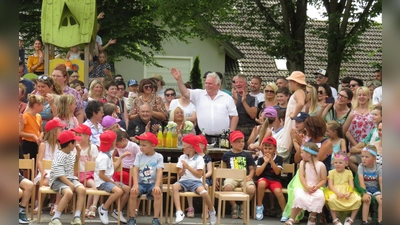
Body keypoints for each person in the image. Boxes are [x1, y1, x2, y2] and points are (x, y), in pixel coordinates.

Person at [171, 68, 238, 143]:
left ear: (218, 85)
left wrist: (231, 133)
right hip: (204, 137)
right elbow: (185, 92)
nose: (207, 85)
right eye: (206, 83)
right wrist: (179, 80)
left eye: (210, 83)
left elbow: (234, 116)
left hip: (223, 138)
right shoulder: (198, 95)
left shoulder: (227, 98)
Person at [172, 134, 217, 224]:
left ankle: (212, 211)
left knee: (204, 192)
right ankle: (179, 211)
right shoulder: (182, 157)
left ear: (191, 148)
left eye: (184, 146)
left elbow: (199, 175)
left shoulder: (199, 159)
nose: (182, 148)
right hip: (184, 181)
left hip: (196, 182)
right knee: (174, 186)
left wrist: (188, 167)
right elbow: (179, 174)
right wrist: (183, 170)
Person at [48, 130, 86, 225]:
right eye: (74, 142)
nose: (76, 144)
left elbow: (75, 160)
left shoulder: (69, 153)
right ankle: (55, 218)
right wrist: (70, 184)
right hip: (58, 180)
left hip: (69, 178)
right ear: (70, 144)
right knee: (68, 192)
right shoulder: (60, 156)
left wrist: (78, 152)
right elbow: (59, 174)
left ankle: (76, 216)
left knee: (82, 190)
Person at [284, 142, 327, 225]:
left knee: (320, 197)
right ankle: (292, 218)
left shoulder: (321, 165)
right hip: (303, 186)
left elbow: (323, 180)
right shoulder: (303, 163)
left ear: (309, 154)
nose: (301, 155)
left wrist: (316, 186)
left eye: (302, 153)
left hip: (316, 187)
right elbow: (302, 177)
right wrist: (306, 186)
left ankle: (312, 217)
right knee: (299, 196)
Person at [95, 130, 131, 224]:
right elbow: (101, 175)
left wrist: (121, 157)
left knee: (127, 189)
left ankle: (117, 211)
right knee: (118, 191)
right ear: (112, 143)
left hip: (108, 181)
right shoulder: (103, 157)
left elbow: (112, 168)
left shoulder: (108, 155)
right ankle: (103, 209)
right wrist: (113, 183)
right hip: (102, 183)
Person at [128, 132, 164, 225]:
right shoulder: (139, 155)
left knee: (157, 193)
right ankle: (132, 218)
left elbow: (160, 171)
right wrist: (135, 185)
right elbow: (135, 169)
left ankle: (155, 218)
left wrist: (157, 185)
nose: (141, 147)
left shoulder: (158, 157)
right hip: (140, 183)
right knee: (133, 192)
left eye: (144, 145)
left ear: (153, 146)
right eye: (140, 144)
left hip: (152, 184)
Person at [34, 119, 66, 214]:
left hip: (56, 172)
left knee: (61, 181)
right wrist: (43, 171)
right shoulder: (43, 145)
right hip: (45, 171)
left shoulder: (60, 145)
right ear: (54, 132)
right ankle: (39, 206)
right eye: (60, 130)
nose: (62, 132)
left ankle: (56, 205)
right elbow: (39, 161)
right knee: (44, 182)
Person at [221, 131, 256, 219]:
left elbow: (252, 169)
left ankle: (244, 206)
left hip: (245, 177)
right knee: (227, 188)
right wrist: (218, 179)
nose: (241, 144)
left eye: (242, 141)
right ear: (232, 143)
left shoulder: (247, 155)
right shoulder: (226, 155)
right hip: (231, 177)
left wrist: (250, 176)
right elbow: (222, 169)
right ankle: (234, 206)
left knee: (251, 189)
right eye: (238, 142)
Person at [71, 124, 100, 219]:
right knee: (94, 185)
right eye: (76, 134)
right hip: (78, 174)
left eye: (80, 135)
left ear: (87, 136)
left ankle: (90, 207)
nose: (77, 137)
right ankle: (92, 207)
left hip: (91, 173)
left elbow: (96, 163)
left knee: (96, 183)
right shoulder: (74, 147)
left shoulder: (93, 147)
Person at [324, 154, 361, 225]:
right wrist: (337, 193)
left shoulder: (349, 172)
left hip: (347, 190)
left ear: (346, 163)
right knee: (332, 199)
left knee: (357, 199)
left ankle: (350, 220)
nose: (338, 164)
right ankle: (335, 219)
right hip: (334, 190)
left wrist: (349, 193)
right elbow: (330, 185)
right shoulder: (331, 172)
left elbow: (351, 185)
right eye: (336, 162)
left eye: (340, 163)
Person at [255, 136, 286, 221]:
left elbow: (277, 172)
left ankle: (285, 212)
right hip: (264, 179)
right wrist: (265, 162)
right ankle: (259, 207)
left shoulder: (279, 159)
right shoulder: (261, 159)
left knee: (278, 191)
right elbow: (257, 173)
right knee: (261, 183)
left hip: (274, 180)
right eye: (265, 148)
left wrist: (271, 161)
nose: (267, 151)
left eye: (270, 148)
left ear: (275, 149)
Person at [277, 71, 306, 163]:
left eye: (290, 82)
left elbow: (301, 103)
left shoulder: (298, 92)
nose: (289, 84)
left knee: (289, 146)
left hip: (294, 123)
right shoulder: (299, 92)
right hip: (292, 122)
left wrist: (293, 115)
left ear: (296, 82)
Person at [185, 134, 213, 218]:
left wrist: (203, 177)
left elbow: (210, 171)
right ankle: (190, 207)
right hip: (193, 178)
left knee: (206, 186)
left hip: (204, 179)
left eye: (199, 143)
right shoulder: (191, 156)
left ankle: (206, 209)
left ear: (204, 145)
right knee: (187, 184)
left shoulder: (207, 157)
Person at [349, 105, 382, 173]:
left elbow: (372, 148)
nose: (373, 116)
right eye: (372, 114)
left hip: (374, 155)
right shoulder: (374, 130)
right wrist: (352, 150)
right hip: (367, 151)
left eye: (376, 115)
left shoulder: (381, 132)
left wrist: (358, 150)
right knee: (347, 159)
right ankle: (362, 176)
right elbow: (364, 142)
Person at [357, 145, 382, 225]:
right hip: (366, 188)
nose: (363, 159)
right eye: (362, 156)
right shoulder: (361, 167)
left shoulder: (378, 167)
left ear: (374, 159)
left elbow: (381, 182)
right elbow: (361, 181)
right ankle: (365, 221)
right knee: (367, 200)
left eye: (367, 157)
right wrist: (364, 193)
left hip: (375, 189)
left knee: (381, 201)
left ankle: (380, 221)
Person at [233, 74, 258, 146]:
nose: (238, 84)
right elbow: (229, 115)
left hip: (249, 129)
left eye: (240, 82)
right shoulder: (231, 98)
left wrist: (244, 102)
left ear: (246, 84)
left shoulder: (253, 98)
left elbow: (253, 115)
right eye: (236, 82)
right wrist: (235, 100)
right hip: (236, 128)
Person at [19, 94, 45, 162]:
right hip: (28, 143)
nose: (43, 107)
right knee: (28, 165)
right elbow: (19, 132)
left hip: (36, 144)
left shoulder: (39, 116)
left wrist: (40, 136)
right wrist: (33, 136)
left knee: (36, 163)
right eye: (42, 105)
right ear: (36, 106)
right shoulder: (25, 116)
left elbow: (41, 130)